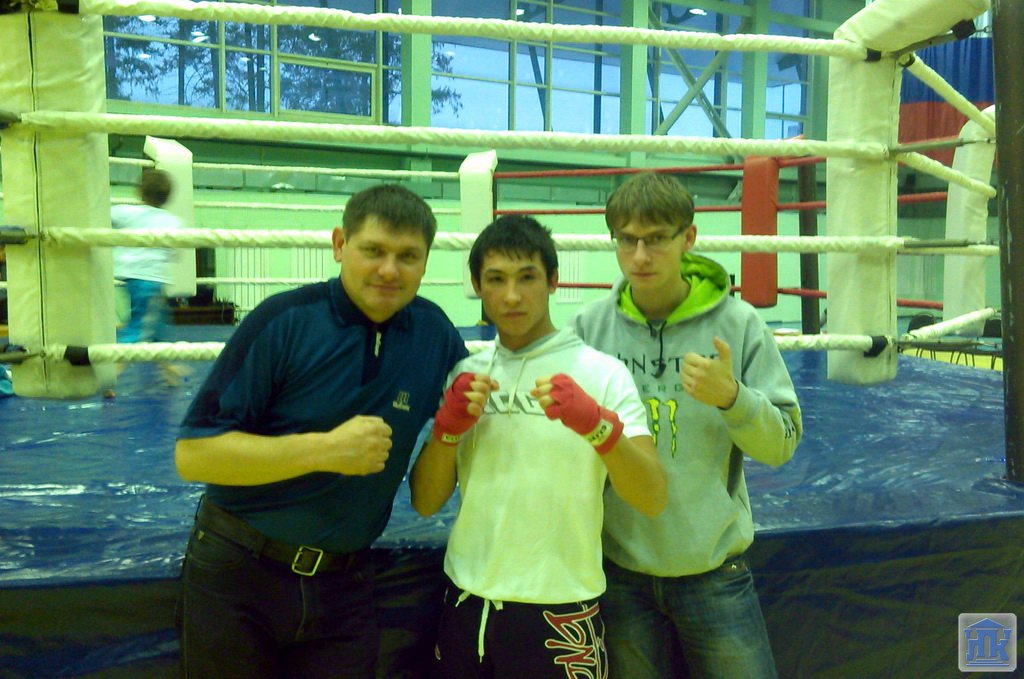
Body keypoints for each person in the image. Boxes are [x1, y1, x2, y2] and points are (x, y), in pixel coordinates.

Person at [174, 183, 468, 678]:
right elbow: (194, 456)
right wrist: (323, 450)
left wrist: (450, 431)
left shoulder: (435, 335)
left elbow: (428, 496)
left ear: (425, 262)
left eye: (407, 256)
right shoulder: (285, 321)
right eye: (373, 250)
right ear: (339, 244)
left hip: (344, 585)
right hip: (239, 574)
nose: (389, 270)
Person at [410, 215, 667, 679]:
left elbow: (652, 496)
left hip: (561, 607)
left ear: (552, 281)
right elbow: (426, 502)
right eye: (496, 279)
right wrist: (446, 430)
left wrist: (599, 428)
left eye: (526, 277)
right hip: (466, 600)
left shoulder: (602, 374)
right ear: (477, 286)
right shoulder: (467, 375)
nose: (512, 296)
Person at [571, 171, 803, 679]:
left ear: (688, 238)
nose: (640, 256)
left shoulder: (738, 324)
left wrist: (733, 399)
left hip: (713, 571)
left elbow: (783, 443)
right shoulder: (589, 329)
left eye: (656, 239)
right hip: (620, 572)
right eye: (627, 240)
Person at [111, 168, 183, 344]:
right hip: (150, 278)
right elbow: (174, 253)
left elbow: (99, 218)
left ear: (140, 191)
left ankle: (160, 356)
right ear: (168, 196)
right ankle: (113, 359)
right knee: (140, 328)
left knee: (157, 322)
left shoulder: (125, 212)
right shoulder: (172, 221)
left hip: (129, 276)